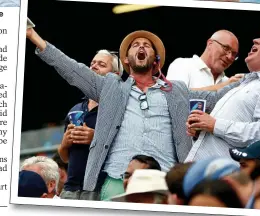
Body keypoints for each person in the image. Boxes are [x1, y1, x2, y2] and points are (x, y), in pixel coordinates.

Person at [26, 28, 242, 201]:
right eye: (136, 45)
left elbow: (215, 100)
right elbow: (71, 69)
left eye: (146, 45)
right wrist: (33, 35)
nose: (141, 47)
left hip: (164, 179)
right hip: (117, 181)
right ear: (127, 61)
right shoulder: (110, 87)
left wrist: (250, 79)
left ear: (155, 60)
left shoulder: (177, 91)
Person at [185, 22, 260, 162]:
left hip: (222, 177)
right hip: (200, 169)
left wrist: (214, 125)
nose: (255, 40)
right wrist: (201, 130)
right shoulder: (242, 86)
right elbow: (219, 132)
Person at [57, 49, 123, 200]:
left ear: (115, 75)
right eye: (92, 63)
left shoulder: (120, 107)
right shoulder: (75, 109)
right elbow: (65, 158)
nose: (93, 66)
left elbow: (125, 149)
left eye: (101, 64)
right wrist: (64, 144)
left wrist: (97, 139)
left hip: (100, 188)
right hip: (70, 189)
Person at [167, 30, 239, 88]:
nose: (229, 57)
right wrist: (221, 87)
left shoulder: (228, 83)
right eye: (225, 48)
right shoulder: (182, 65)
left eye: (234, 54)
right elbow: (175, 99)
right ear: (210, 44)